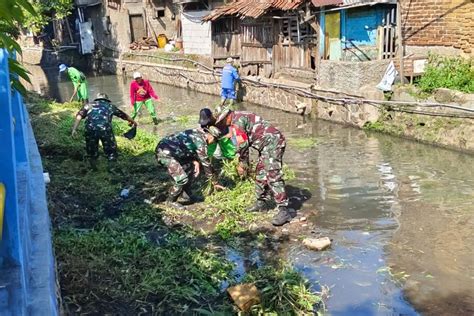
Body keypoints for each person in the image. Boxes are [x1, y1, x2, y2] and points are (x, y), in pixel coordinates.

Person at [215, 108, 292, 226]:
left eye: (222, 121)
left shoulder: (237, 122)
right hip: (265, 146)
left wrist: (243, 164)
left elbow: (243, 146)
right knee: (261, 173)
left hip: (273, 143)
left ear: (227, 116)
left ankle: (284, 210)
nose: (222, 123)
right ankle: (261, 202)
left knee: (273, 175)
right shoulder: (238, 116)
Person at [155, 127, 224, 209]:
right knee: (182, 179)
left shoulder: (197, 132)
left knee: (190, 169)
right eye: (215, 141)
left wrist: (195, 161)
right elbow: (206, 163)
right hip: (165, 154)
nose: (213, 143)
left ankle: (186, 194)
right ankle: (171, 201)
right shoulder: (201, 142)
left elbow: (188, 147)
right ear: (212, 137)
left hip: (175, 152)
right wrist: (214, 181)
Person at [71, 93, 137, 171]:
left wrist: (74, 129)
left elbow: (79, 116)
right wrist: (133, 122)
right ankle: (111, 169)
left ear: (97, 99)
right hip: (105, 129)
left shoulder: (88, 105)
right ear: (107, 100)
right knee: (111, 151)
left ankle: (94, 169)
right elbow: (124, 116)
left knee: (91, 150)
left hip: (90, 129)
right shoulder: (110, 106)